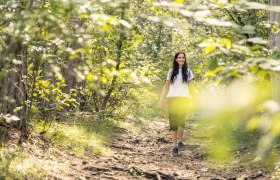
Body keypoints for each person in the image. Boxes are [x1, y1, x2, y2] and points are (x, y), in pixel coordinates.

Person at [159, 52, 194, 156]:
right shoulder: (171, 71)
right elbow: (166, 86)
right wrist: (161, 98)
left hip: (184, 99)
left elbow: (191, 87)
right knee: (173, 123)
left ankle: (180, 141)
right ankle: (174, 147)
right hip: (172, 99)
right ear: (175, 59)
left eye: (183, 58)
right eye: (179, 57)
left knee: (181, 122)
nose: (181, 59)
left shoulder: (188, 72)